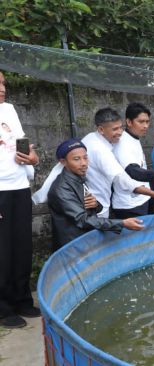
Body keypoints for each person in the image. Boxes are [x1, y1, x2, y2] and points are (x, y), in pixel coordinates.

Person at [48, 139, 144, 251]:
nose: (83, 163)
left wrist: (96, 205)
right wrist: (122, 223)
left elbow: (89, 208)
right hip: (72, 245)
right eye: (76, 159)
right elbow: (82, 219)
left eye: (85, 157)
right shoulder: (61, 188)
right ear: (63, 162)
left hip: (84, 240)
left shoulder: (78, 178)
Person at [0, 71, 41, 329]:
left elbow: (23, 144)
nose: (2, 88)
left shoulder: (9, 110)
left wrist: (33, 158)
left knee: (23, 247)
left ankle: (22, 299)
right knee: (2, 252)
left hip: (19, 186)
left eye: (3, 83)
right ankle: (3, 308)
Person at [81, 108, 154, 218]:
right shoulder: (100, 150)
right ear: (101, 129)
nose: (120, 132)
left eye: (120, 127)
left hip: (99, 201)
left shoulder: (92, 138)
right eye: (115, 129)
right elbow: (124, 177)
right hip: (98, 204)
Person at [112, 103, 154, 218]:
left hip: (143, 198)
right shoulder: (123, 143)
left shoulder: (134, 138)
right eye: (141, 122)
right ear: (129, 122)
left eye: (147, 122)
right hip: (129, 205)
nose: (145, 126)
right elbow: (134, 171)